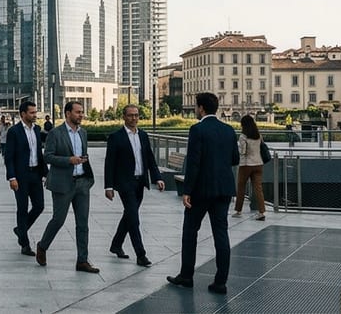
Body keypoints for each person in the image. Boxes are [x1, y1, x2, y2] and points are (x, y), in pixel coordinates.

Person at [167, 92, 240, 294]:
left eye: (196, 107)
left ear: (201, 108)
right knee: (221, 234)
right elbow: (235, 159)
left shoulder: (197, 129)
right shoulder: (228, 130)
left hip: (201, 190)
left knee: (190, 232)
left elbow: (193, 162)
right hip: (223, 189)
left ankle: (187, 276)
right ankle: (220, 282)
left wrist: (187, 190)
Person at [35, 101, 97, 273]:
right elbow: (47, 157)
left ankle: (82, 261)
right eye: (78, 112)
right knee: (58, 220)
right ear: (68, 113)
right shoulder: (56, 133)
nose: (81, 115)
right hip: (62, 183)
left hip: (82, 182)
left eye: (82, 112)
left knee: (83, 223)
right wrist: (68, 160)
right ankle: (43, 245)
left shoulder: (83, 133)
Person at [104, 104, 165, 266]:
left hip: (140, 182)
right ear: (124, 117)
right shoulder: (116, 137)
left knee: (129, 216)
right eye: (130, 115)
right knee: (134, 218)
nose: (134, 118)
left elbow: (150, 159)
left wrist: (157, 177)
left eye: (136, 115)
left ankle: (116, 245)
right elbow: (109, 163)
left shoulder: (143, 135)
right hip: (125, 183)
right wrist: (108, 186)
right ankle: (141, 254)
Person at [4, 101, 46, 257]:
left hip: (35, 174)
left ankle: (20, 230)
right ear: (23, 114)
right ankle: (25, 244)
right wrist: (12, 177)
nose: (35, 115)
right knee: (22, 208)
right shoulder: (14, 132)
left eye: (35, 112)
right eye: (32, 113)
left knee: (39, 206)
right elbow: (9, 157)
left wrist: (44, 173)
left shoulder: (37, 130)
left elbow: (38, 153)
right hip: (21, 176)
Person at [233, 114, 267, 221]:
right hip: (258, 163)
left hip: (246, 165)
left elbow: (243, 152)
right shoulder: (258, 135)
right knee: (258, 188)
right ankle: (261, 212)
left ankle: (238, 210)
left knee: (241, 187)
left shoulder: (243, 136)